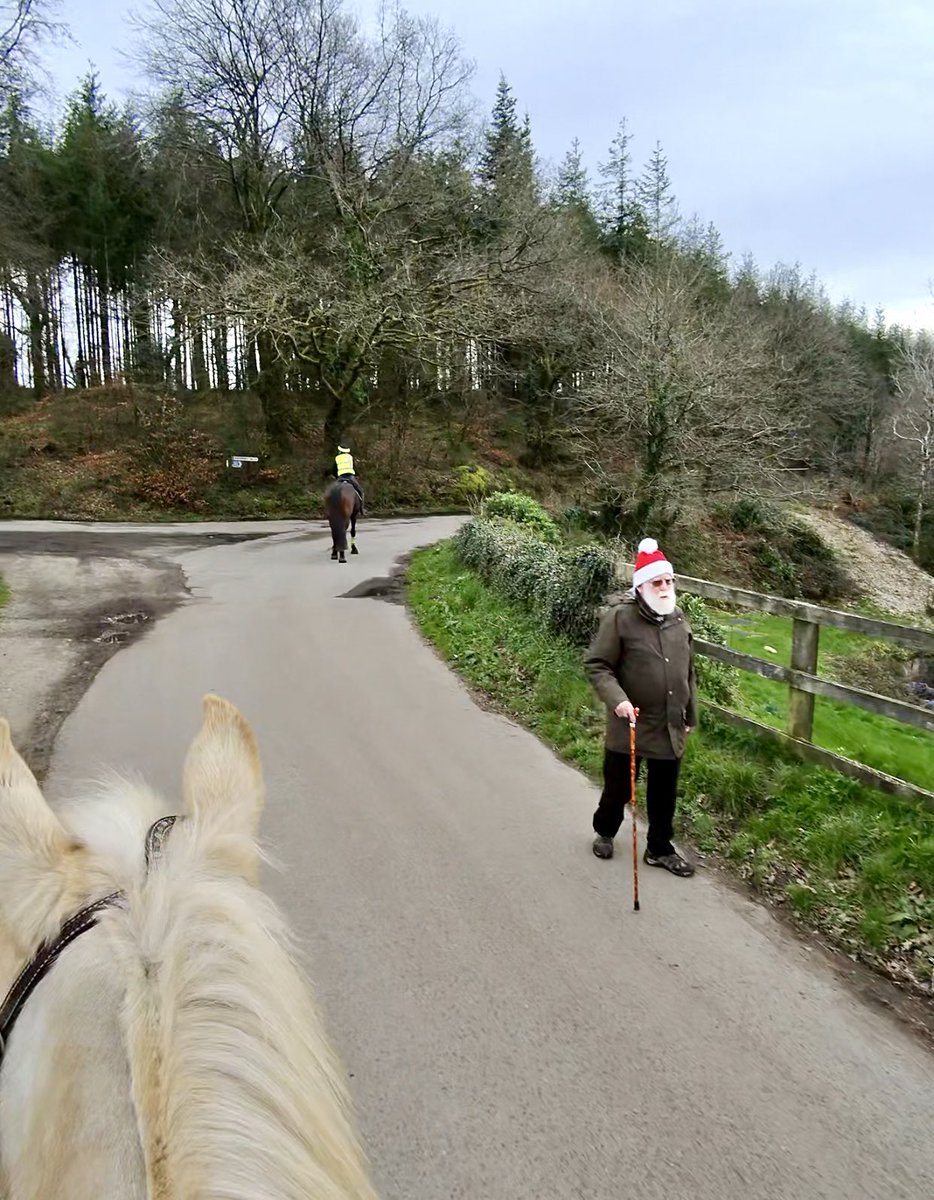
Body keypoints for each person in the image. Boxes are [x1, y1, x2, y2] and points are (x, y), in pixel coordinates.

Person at [583, 537, 697, 876]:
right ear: (642, 586)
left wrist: (690, 713)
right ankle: (605, 830)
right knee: (618, 788)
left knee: (664, 793)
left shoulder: (679, 621)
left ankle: (659, 848)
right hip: (629, 722)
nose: (665, 588)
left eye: (668, 581)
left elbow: (688, 671)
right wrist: (618, 700)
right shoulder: (621, 619)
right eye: (657, 582)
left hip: (668, 724)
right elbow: (598, 665)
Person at [333, 445, 365, 513]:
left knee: (334, 492)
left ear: (340, 451)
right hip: (350, 477)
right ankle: (362, 509)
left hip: (341, 477)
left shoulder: (337, 458)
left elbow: (334, 469)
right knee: (361, 491)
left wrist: (335, 476)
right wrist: (357, 474)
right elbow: (354, 467)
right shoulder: (350, 457)